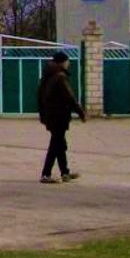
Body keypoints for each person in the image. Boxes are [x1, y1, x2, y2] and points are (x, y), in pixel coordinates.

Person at [36, 50, 86, 183]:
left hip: (51, 115)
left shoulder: (48, 75)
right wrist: (80, 112)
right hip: (58, 115)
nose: (69, 63)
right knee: (56, 144)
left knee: (60, 144)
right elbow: (70, 97)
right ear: (62, 62)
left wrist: (43, 114)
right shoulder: (60, 77)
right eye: (67, 61)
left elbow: (40, 96)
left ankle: (65, 172)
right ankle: (46, 174)